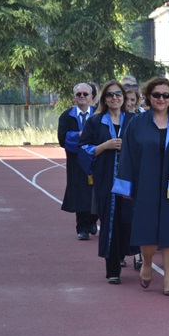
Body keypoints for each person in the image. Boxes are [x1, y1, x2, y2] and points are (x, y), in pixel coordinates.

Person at [112, 77, 169, 297]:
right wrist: (126, 187)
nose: (161, 99)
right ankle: (148, 262)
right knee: (148, 234)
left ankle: (168, 280)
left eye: (166, 95)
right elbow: (127, 156)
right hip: (146, 184)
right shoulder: (136, 123)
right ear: (148, 97)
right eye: (156, 95)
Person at [79, 80, 135, 284]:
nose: (114, 98)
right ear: (104, 98)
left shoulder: (133, 120)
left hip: (130, 179)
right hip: (106, 179)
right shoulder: (95, 122)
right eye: (110, 95)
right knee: (110, 221)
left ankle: (123, 254)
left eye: (118, 94)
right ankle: (113, 269)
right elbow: (83, 148)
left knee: (128, 221)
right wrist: (104, 146)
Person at [58, 82, 97, 240]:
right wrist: (81, 135)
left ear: (91, 96)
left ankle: (93, 220)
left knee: (97, 192)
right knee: (80, 194)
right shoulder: (66, 116)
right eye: (78, 94)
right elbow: (62, 139)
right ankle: (82, 228)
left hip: (96, 159)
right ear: (74, 97)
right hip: (76, 161)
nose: (82, 97)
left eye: (85, 94)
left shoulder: (98, 114)